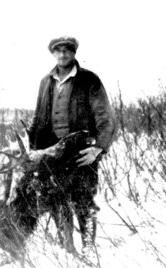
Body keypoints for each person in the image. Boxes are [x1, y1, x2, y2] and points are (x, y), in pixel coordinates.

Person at [28, 36, 115, 253]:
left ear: (74, 53)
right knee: (57, 200)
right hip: (52, 152)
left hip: (81, 151)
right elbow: (39, 118)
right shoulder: (45, 82)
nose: (62, 54)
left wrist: (98, 148)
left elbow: (105, 117)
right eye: (58, 51)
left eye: (67, 50)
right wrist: (34, 151)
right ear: (53, 54)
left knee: (83, 201)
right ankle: (67, 248)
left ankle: (88, 250)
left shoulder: (89, 80)